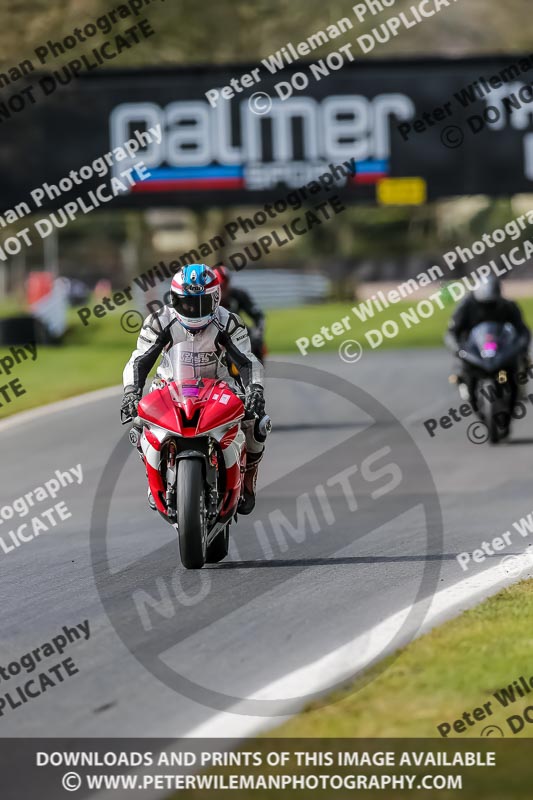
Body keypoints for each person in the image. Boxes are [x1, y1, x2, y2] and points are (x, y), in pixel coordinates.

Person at [121, 264, 267, 515]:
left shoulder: (229, 322)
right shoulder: (159, 320)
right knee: (137, 420)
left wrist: (255, 390)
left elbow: (246, 360)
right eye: (186, 302)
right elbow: (139, 360)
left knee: (258, 423)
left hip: (219, 385)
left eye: (201, 303)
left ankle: (249, 478)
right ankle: (153, 473)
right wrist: (131, 393)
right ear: (174, 299)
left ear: (216, 298)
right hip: (169, 384)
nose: (192, 309)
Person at [447, 275, 531, 405]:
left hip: (500, 348)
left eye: (492, 305)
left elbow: (522, 330)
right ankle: (463, 382)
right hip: (473, 349)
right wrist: (457, 348)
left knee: (520, 362)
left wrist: (521, 346)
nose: (488, 308)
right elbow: (452, 332)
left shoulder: (508, 306)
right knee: (461, 365)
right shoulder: (467, 306)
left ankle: (518, 388)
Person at [214, 265, 265, 361]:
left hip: (238, 333)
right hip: (213, 336)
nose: (222, 289)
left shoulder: (239, 295)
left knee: (257, 345)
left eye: (224, 285)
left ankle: (256, 373)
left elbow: (258, 316)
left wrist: (257, 335)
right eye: (219, 286)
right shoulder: (204, 299)